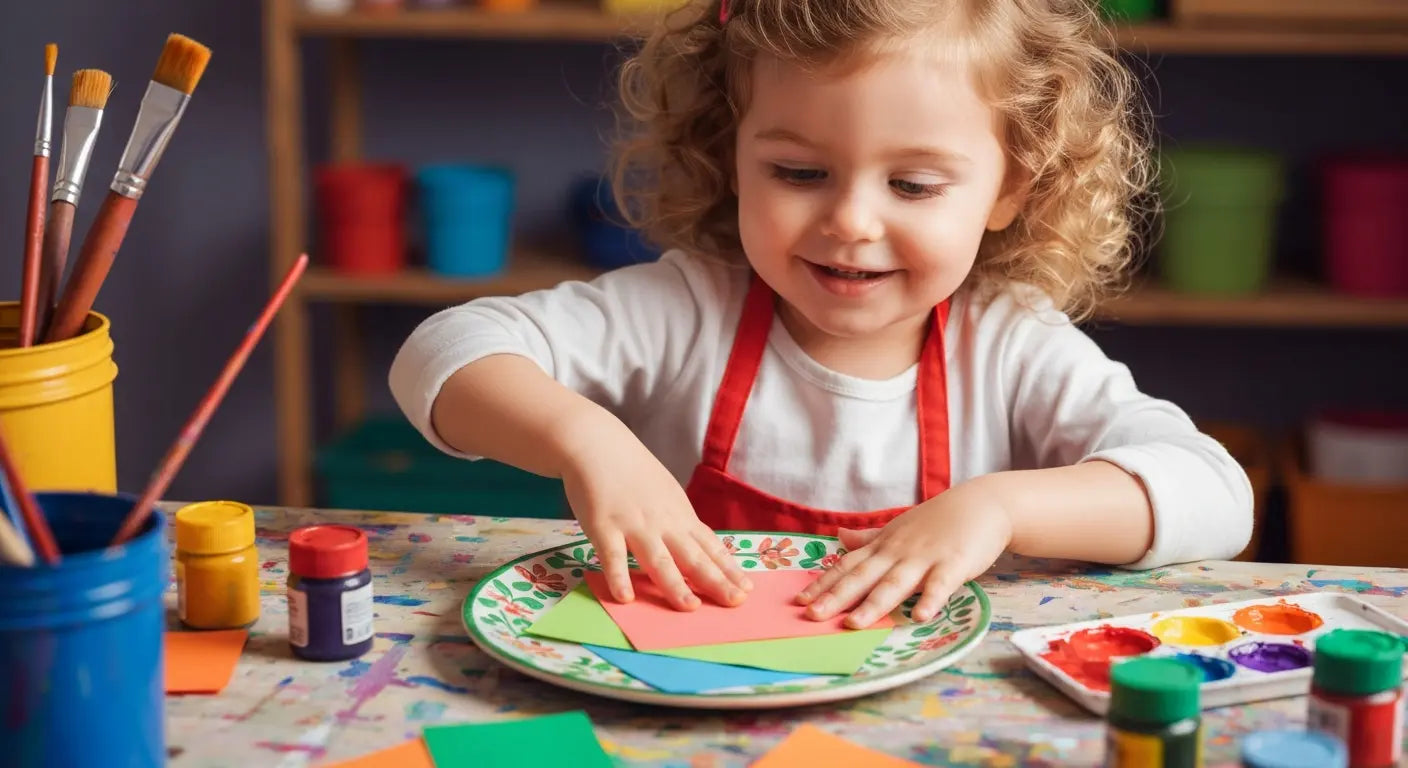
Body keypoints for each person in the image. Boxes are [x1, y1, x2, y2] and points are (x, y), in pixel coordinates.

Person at [389, 0, 1252, 631]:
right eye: (799, 173)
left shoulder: (1009, 345)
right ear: (730, 153)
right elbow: (443, 350)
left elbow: (1218, 495)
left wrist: (997, 509)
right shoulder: (687, 308)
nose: (851, 221)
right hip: (681, 697)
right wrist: (589, 442)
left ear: (1011, 186)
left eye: (913, 185)